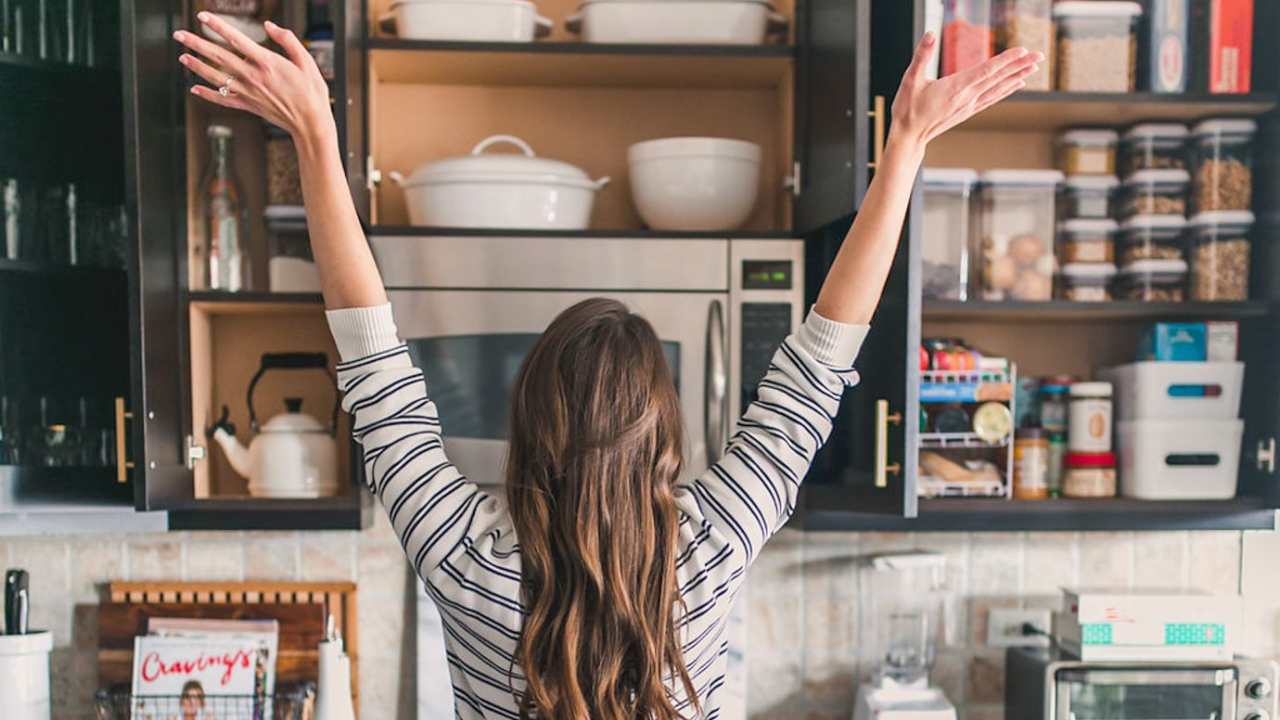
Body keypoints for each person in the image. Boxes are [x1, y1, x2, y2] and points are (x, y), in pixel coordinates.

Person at [173, 16, 1041, 720]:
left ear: (527, 418)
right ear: (666, 429)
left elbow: (370, 357)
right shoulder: (710, 546)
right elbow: (824, 353)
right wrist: (906, 152)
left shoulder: (466, 556)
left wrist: (318, 137)